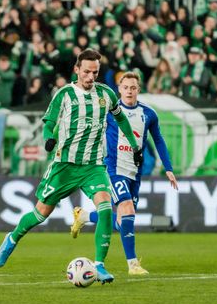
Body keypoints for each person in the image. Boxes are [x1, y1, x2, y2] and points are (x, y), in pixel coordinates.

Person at [0, 49, 142, 284]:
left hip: (93, 165)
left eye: (95, 72)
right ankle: (11, 239)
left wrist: (134, 145)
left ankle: (99, 265)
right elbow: (48, 123)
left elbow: (121, 118)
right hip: (65, 165)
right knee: (41, 213)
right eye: (87, 72)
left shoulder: (106, 94)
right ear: (76, 70)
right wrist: (48, 138)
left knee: (105, 208)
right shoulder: (64, 94)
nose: (91, 77)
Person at [71, 72, 178, 275]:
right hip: (113, 169)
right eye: (126, 87)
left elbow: (158, 140)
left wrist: (168, 168)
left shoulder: (148, 114)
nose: (129, 91)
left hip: (134, 172)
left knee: (123, 222)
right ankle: (133, 265)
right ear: (119, 89)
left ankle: (84, 216)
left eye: (133, 88)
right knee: (127, 208)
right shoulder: (109, 111)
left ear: (139, 90)